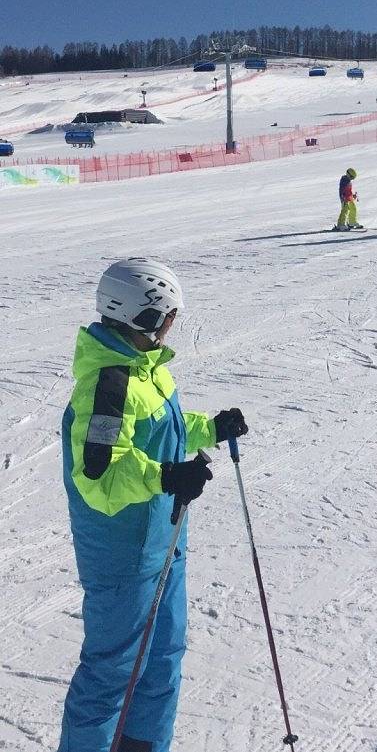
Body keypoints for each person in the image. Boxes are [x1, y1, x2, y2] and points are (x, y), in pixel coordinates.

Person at [58, 258, 248, 752]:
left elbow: (160, 434)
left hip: (163, 541)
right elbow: (99, 475)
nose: (172, 325)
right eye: (168, 315)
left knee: (162, 659)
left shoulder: (145, 371)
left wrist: (210, 428)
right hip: (124, 554)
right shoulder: (109, 383)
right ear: (145, 317)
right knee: (112, 675)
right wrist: (167, 476)